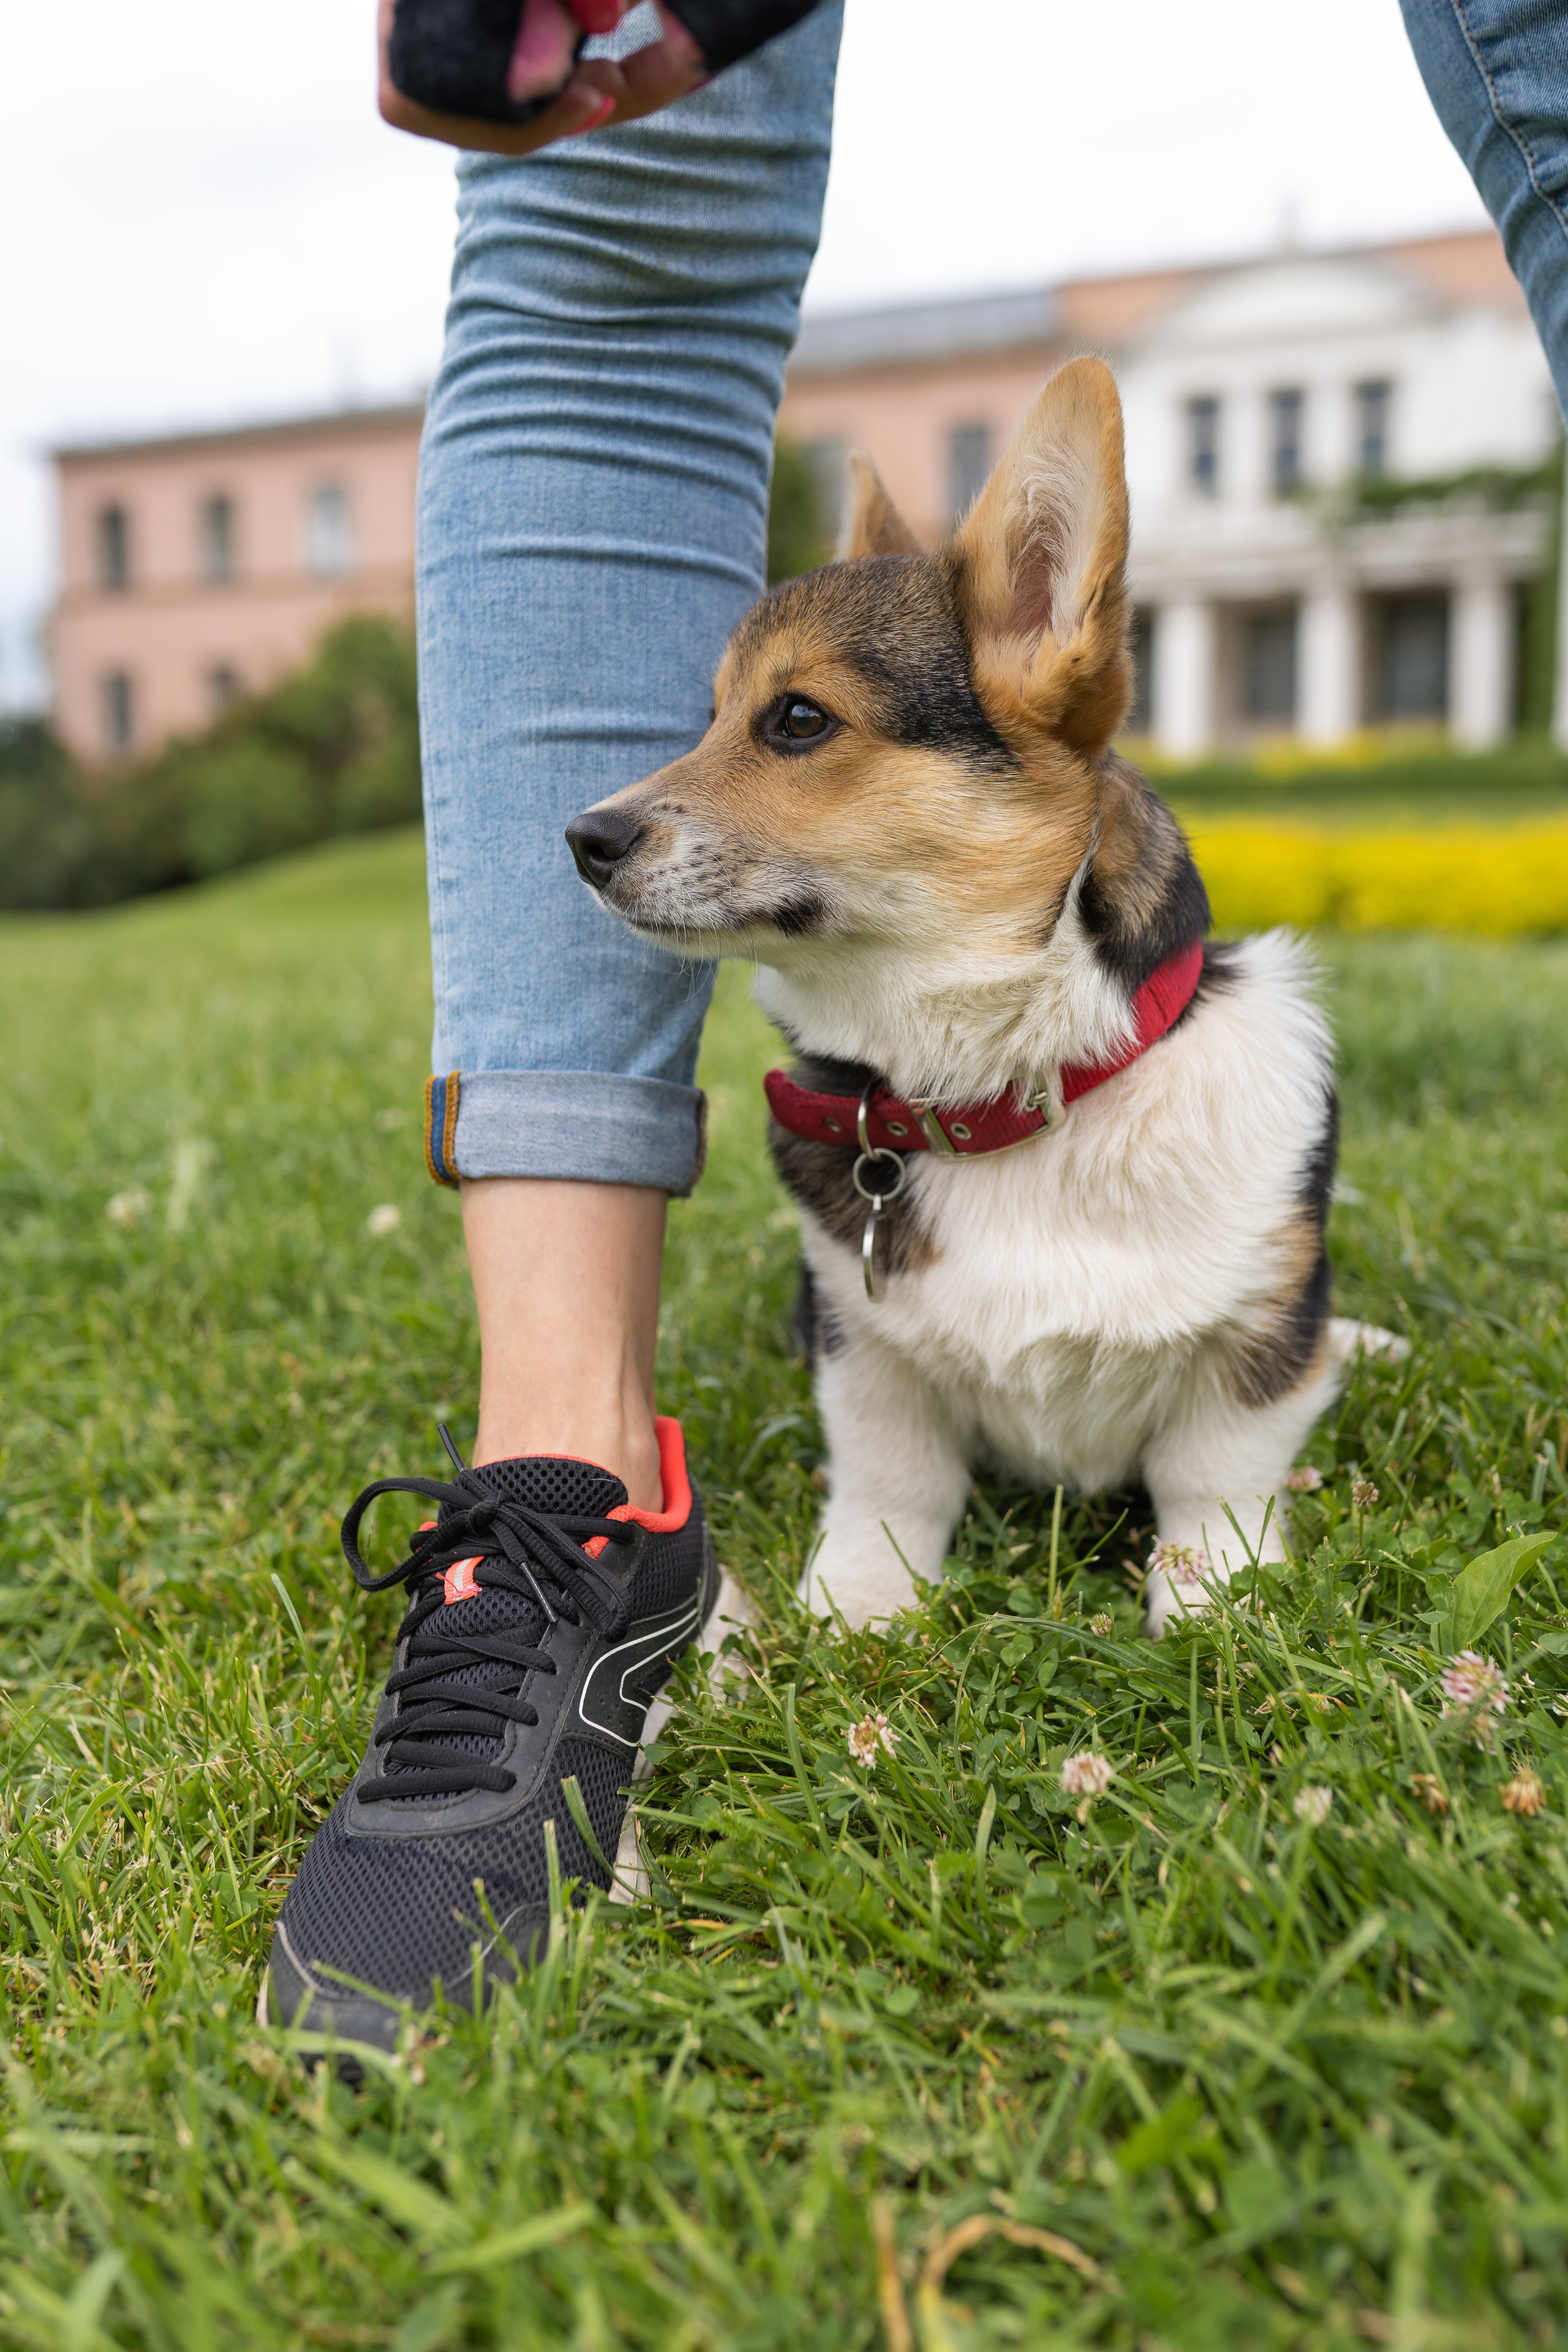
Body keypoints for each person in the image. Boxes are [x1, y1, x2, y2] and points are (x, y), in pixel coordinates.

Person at [265, 0, 1568, 2047]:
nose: (663, 796)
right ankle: (566, 1474)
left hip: (1123, 1142)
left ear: (1050, 636)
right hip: (926, 1166)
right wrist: (887, 1518)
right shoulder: (836, 1118)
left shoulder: (1229, 1090)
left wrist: (1219, 1511)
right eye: (729, 723)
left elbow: (1263, 1317)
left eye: (794, 737)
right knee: (616, 212)